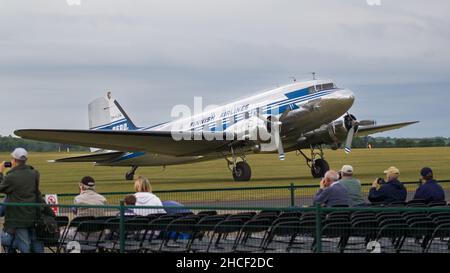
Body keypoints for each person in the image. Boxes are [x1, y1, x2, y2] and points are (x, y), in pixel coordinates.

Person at [0, 148, 49, 253]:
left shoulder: (11, 176)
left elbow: (1, 188)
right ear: (26, 159)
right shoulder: (35, 174)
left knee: (24, 243)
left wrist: (0, 172)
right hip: (33, 215)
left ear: (13, 160)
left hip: (19, 218)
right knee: (34, 241)